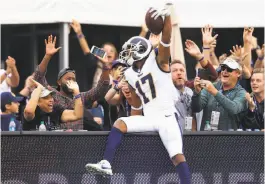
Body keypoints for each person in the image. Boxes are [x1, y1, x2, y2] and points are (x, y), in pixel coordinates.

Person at [85, 4, 191, 183]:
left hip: (166, 116)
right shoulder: (129, 73)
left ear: (141, 51)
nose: (127, 54)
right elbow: (136, 107)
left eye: (130, 50)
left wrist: (166, 19)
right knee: (120, 123)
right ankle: (106, 163)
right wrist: (129, 98)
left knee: (177, 156)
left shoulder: (159, 61)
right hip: (149, 116)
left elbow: (166, 39)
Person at [33, 35, 110, 130]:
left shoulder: (82, 97)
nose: (71, 81)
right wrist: (47, 56)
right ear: (59, 82)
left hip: (79, 139)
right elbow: (38, 77)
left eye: (73, 79)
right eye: (68, 78)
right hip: (59, 138)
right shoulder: (52, 95)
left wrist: (106, 66)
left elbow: (101, 90)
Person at [191, 57, 247, 130]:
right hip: (208, 137)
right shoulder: (212, 87)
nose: (224, 71)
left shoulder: (241, 93)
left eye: (229, 69)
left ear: (238, 73)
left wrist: (214, 92)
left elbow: (234, 109)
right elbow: (196, 109)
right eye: (223, 68)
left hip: (229, 139)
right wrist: (197, 92)